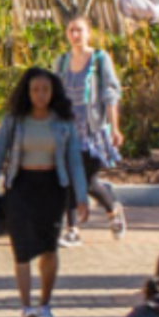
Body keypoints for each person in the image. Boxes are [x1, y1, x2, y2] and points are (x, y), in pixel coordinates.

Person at [0, 67, 88, 317]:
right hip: (21, 187)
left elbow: (74, 160)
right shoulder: (14, 120)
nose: (40, 95)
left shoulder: (63, 121)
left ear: (53, 92)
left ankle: (45, 304)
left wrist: (82, 196)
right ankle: (26, 307)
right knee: (22, 248)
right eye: (35, 90)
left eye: (45, 90)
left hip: (52, 188)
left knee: (49, 248)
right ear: (27, 92)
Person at [54, 15, 126, 247]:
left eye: (80, 30)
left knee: (89, 181)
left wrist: (115, 127)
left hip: (93, 131)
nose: (75, 35)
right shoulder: (62, 61)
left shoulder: (99, 59)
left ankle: (113, 210)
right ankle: (72, 230)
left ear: (89, 33)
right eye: (71, 30)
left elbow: (110, 94)